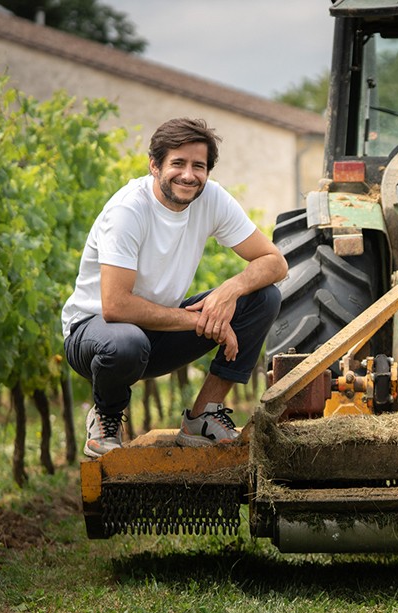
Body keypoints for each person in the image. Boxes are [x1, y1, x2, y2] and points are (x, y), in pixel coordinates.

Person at [61, 118, 288, 459]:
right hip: (96, 336)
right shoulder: (128, 210)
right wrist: (202, 321)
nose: (188, 175)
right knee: (126, 341)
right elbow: (116, 307)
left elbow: (275, 263)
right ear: (154, 166)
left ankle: (203, 415)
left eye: (199, 166)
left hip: (157, 336)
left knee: (264, 296)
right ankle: (107, 417)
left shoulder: (211, 199)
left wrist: (229, 291)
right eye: (177, 163)